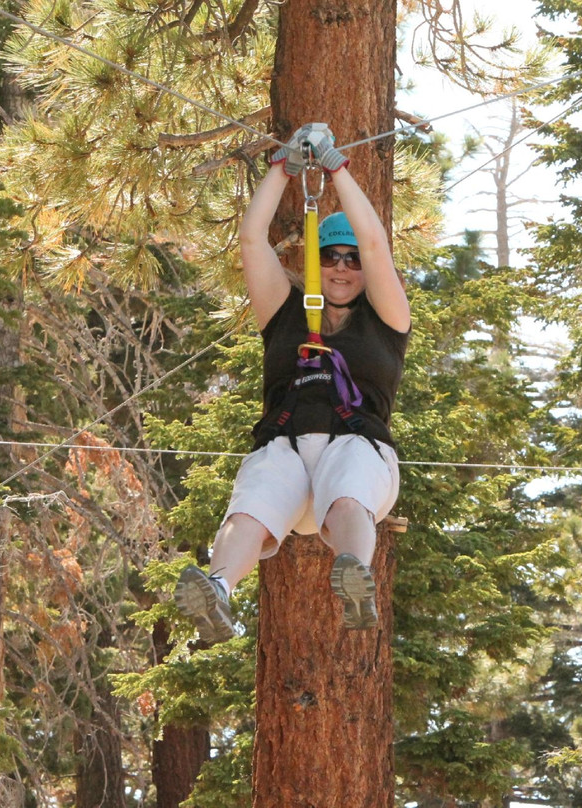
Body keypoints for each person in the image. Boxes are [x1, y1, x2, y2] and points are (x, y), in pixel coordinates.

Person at [173, 123, 411, 644]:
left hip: (358, 447)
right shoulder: (284, 314)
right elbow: (251, 238)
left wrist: (336, 168)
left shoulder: (386, 319)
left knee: (348, 483)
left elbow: (375, 242)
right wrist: (283, 167)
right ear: (312, 263)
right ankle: (218, 589)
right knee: (254, 495)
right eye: (329, 256)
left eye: (352, 259)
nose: (343, 267)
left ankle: (355, 576)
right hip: (285, 445)